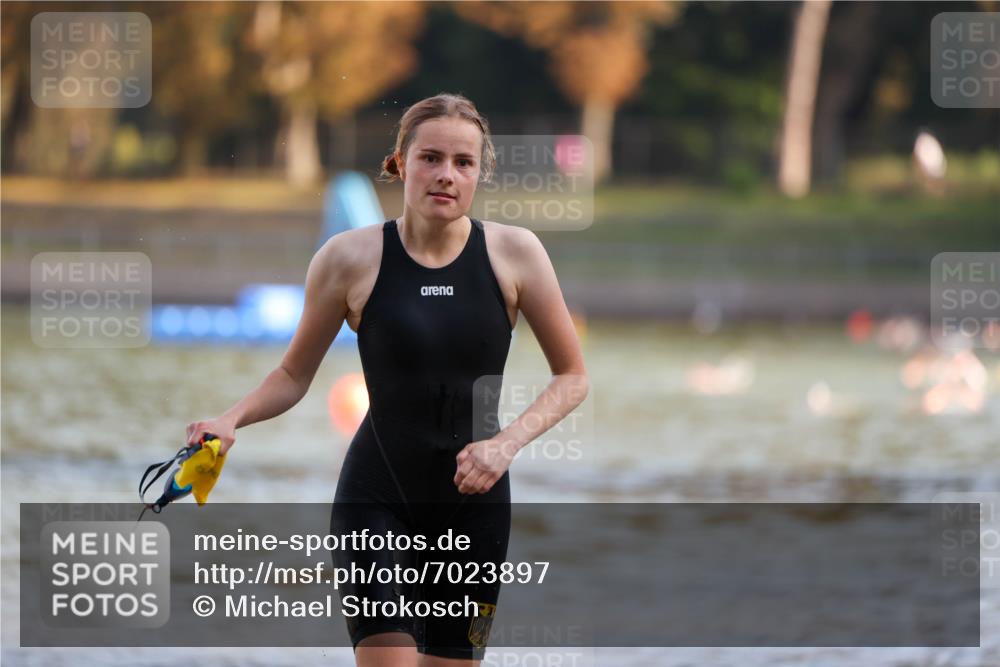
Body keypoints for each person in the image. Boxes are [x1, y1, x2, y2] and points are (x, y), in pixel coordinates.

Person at [186, 92, 588, 666]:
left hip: (475, 508)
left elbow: (572, 377)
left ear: (480, 172)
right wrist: (231, 419)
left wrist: (505, 445)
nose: (446, 175)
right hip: (376, 499)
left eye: (463, 163)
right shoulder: (347, 259)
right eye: (430, 158)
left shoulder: (516, 255)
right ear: (400, 163)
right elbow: (294, 373)